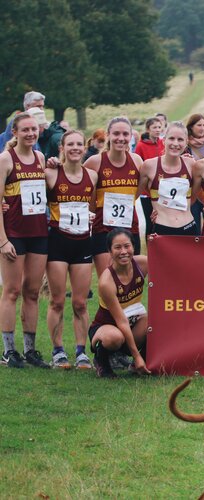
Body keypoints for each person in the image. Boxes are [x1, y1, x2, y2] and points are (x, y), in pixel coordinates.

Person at [0, 113, 50, 368]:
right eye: (25, 130)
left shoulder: (40, 158)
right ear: (14, 132)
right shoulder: (6, 159)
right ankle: (9, 351)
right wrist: (2, 240)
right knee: (11, 291)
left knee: (32, 291)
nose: (31, 134)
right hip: (14, 236)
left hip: (38, 233)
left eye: (34, 129)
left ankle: (30, 350)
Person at [45, 130, 97, 369]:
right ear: (62, 149)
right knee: (57, 301)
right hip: (58, 242)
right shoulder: (51, 173)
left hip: (82, 243)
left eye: (79, 144)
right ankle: (57, 351)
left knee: (80, 302)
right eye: (70, 145)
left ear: (84, 148)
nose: (75, 148)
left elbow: (93, 204)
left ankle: (80, 351)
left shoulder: (92, 176)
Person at [83, 116, 143, 277]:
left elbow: (141, 191)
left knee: (129, 283)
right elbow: (76, 185)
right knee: (107, 281)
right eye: (116, 133)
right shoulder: (94, 162)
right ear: (108, 134)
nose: (121, 138)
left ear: (131, 136)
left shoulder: (137, 161)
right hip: (103, 230)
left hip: (130, 228)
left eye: (125, 134)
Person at [89, 228, 150, 378]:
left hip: (133, 322)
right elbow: (121, 321)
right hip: (109, 326)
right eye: (117, 247)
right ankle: (101, 360)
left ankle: (142, 364)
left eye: (127, 246)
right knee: (114, 338)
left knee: (158, 320)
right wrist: (136, 355)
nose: (123, 251)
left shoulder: (143, 263)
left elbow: (167, 267)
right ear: (109, 251)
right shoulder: (106, 282)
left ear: (133, 247)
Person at [139, 122, 198, 236]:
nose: (175, 143)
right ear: (163, 140)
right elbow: (136, 194)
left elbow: (197, 195)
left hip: (188, 227)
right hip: (162, 229)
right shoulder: (149, 166)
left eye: (180, 139)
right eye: (171, 138)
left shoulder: (191, 164)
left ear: (186, 143)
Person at [135, 117, 165, 237]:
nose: (157, 130)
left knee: (160, 220)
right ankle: (150, 249)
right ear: (148, 129)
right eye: (154, 127)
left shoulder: (163, 143)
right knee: (150, 221)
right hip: (146, 192)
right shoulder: (141, 146)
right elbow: (138, 167)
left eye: (159, 127)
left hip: (162, 190)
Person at [185, 114, 204, 229]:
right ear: (191, 127)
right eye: (198, 125)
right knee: (194, 223)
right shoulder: (185, 144)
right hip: (192, 187)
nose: (202, 128)